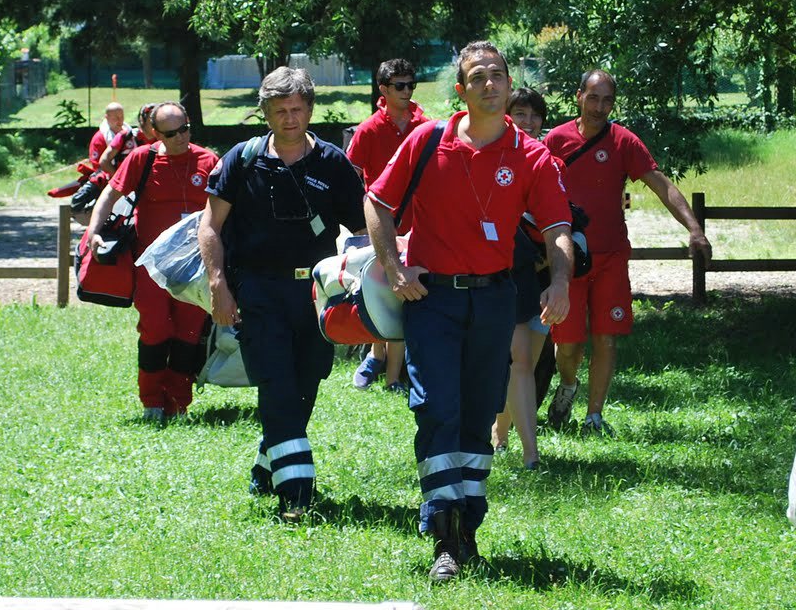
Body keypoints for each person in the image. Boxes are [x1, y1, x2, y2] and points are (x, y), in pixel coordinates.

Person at [365, 42, 574, 581]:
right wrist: (394, 268)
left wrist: (558, 280)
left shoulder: (531, 155)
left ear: (509, 86)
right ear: (461, 90)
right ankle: (444, 531)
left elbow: (557, 229)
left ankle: (468, 527)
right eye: (476, 77)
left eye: (497, 76)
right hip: (432, 298)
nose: (488, 84)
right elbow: (378, 204)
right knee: (438, 406)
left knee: (480, 410)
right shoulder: (427, 140)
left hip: (496, 297)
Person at [199, 67, 367, 521]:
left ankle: (265, 465)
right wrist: (219, 285)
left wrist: (368, 292)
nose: (289, 118)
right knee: (275, 382)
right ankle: (297, 493)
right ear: (265, 112)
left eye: (297, 109)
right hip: (257, 290)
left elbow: (363, 232)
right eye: (279, 110)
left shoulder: (333, 164)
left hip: (315, 294)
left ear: (310, 110)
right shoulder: (243, 158)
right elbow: (210, 226)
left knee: (303, 387)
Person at [541, 69, 711, 435]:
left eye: (607, 100)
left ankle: (594, 416)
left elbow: (662, 185)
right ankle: (568, 385)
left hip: (612, 257)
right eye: (593, 98)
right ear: (578, 97)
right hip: (567, 260)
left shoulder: (624, 142)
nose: (600, 107)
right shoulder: (555, 140)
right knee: (567, 345)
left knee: (605, 336)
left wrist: (694, 229)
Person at [84, 102, 218, 421]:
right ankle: (152, 402)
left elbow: (227, 204)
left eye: (184, 129)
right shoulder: (142, 159)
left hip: (194, 266)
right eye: (171, 133)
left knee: (188, 333)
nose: (181, 138)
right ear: (155, 133)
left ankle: (178, 403)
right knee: (156, 329)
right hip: (152, 266)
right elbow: (109, 194)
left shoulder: (209, 160)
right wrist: (94, 230)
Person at [345, 58, 429, 393]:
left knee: (408, 295)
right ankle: (377, 356)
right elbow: (350, 174)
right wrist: (359, 222)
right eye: (399, 86)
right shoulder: (368, 129)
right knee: (379, 292)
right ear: (383, 89)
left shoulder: (426, 125)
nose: (407, 91)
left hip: (418, 224)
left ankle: (396, 371)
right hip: (380, 226)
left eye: (411, 84)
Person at [493, 87, 556, 469]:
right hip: (507, 276)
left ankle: (499, 435)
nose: (528, 121)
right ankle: (530, 454)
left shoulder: (550, 161)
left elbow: (564, 220)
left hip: (546, 277)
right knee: (517, 363)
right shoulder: (494, 158)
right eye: (521, 113)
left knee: (526, 365)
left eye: (535, 115)